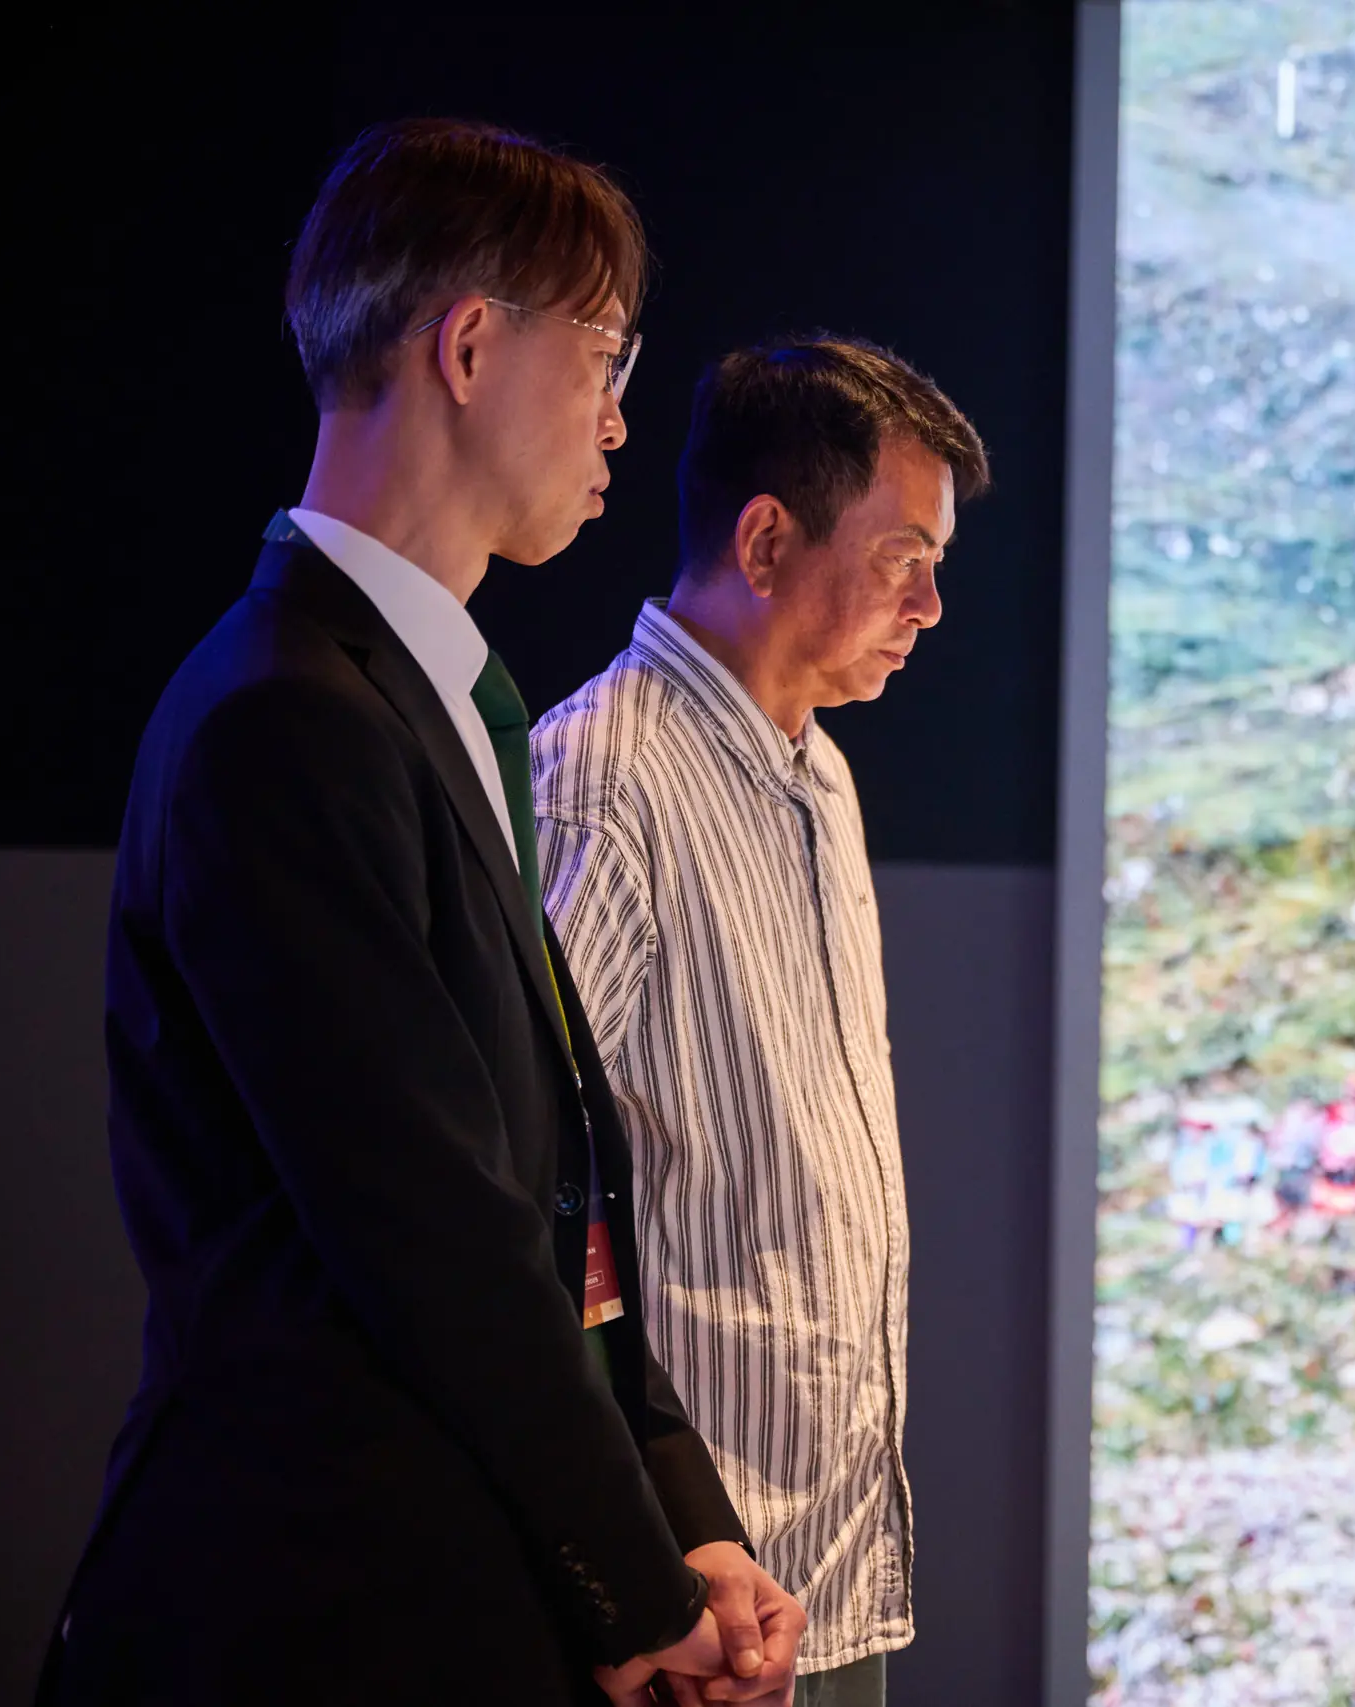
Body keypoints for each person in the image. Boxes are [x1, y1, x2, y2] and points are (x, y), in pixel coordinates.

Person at [45, 120, 803, 1706]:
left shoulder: (437, 693)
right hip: (316, 1604)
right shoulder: (281, 716)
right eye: (605, 356)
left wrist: (683, 1514)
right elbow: (430, 1225)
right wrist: (636, 1579)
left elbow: (552, 1193)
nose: (619, 416)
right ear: (468, 348)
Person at [532, 336, 991, 1707]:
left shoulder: (822, 774)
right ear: (768, 540)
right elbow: (528, 1211)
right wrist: (638, 1566)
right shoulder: (601, 784)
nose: (932, 605)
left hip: (833, 1574)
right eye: (904, 557)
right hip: (697, 1605)